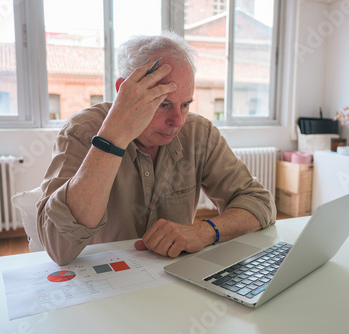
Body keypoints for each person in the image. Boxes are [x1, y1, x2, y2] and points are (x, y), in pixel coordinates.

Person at [36, 31, 276, 265]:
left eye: (185, 104)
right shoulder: (83, 131)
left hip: (173, 279)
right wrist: (113, 138)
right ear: (124, 91)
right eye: (163, 103)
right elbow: (58, 248)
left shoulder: (198, 133)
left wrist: (205, 231)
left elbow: (259, 203)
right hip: (102, 284)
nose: (178, 121)